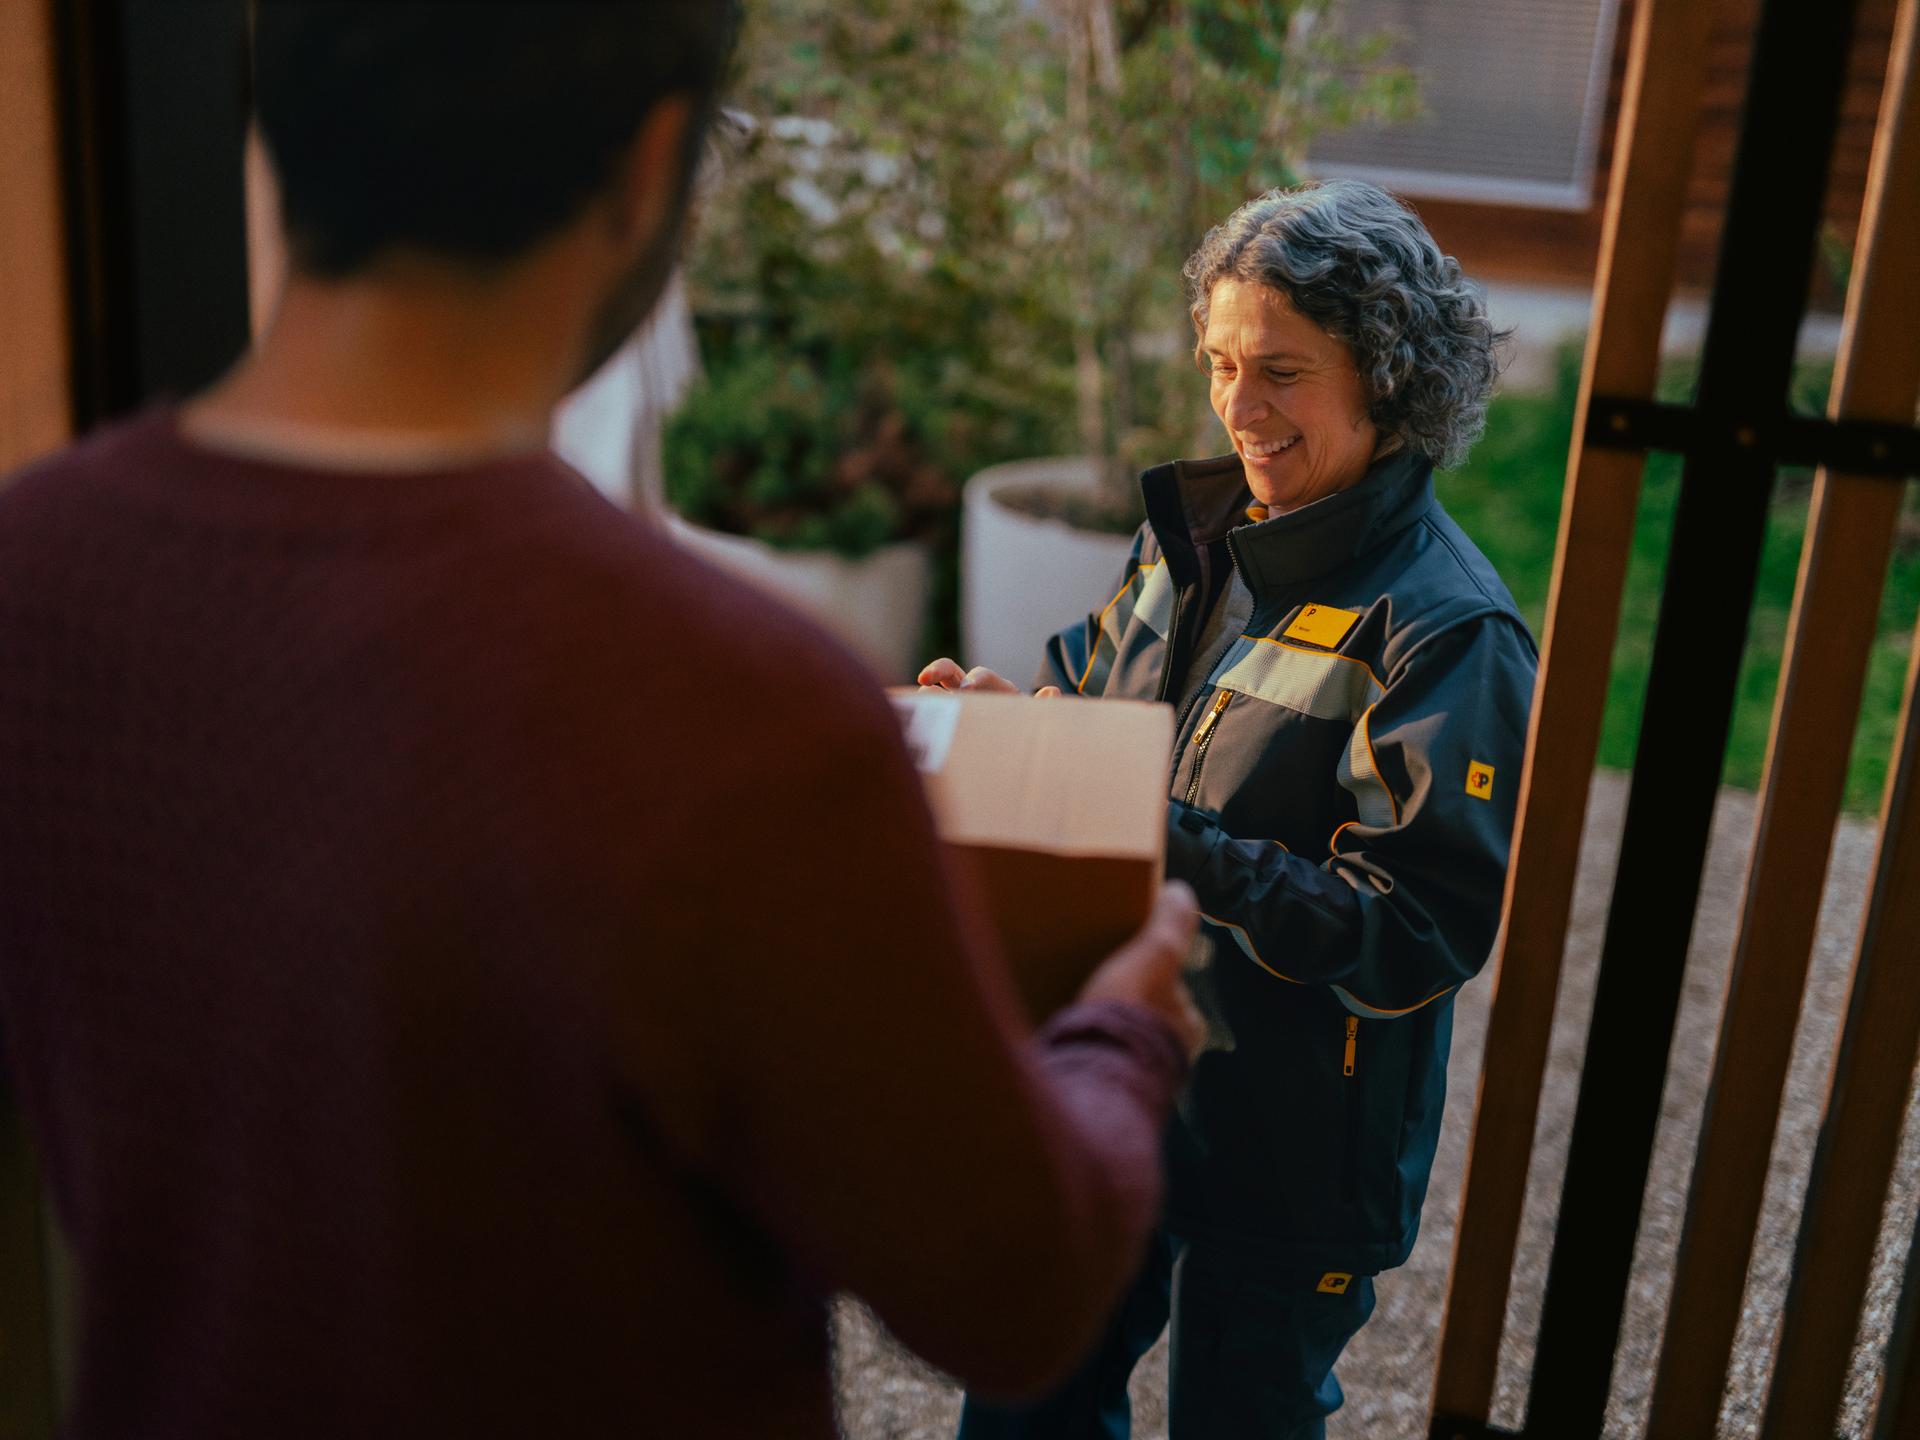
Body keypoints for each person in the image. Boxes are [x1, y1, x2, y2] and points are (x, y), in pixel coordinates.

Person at [0, 5, 1205, 1437]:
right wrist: (1114, 1032)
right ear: (649, 166)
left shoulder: (39, 568)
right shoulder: (736, 708)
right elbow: (1013, 1293)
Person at [926, 180, 1539, 1439]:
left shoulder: (1446, 631)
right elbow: (1089, 688)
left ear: (1388, 376)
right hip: (1121, 1074)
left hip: (1296, 1147)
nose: (1239, 408)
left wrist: (1169, 839)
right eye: (1219, 362)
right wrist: (1015, 723)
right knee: (1025, 1402)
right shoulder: (1189, 537)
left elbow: (1412, 932)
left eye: (1281, 372)